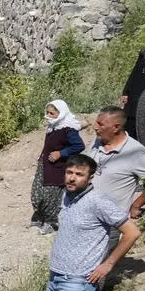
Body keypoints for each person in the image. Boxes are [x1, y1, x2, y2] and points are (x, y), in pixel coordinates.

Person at [43, 155, 141, 291]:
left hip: (78, 279)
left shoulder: (98, 201)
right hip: (56, 274)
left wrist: (108, 264)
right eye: (69, 172)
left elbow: (132, 232)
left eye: (79, 174)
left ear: (90, 177)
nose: (72, 178)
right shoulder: (66, 196)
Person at [85, 107, 145, 224]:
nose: (95, 127)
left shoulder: (135, 151)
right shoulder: (97, 141)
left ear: (116, 127)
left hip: (110, 220)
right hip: (85, 212)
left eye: (100, 124)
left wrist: (136, 205)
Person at [31, 100, 84, 234]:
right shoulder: (52, 126)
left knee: (50, 195)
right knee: (36, 193)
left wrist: (61, 153)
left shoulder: (68, 129)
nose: (48, 116)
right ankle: (40, 216)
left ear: (61, 113)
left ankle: (51, 222)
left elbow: (78, 146)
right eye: (47, 112)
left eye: (52, 113)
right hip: (45, 165)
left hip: (58, 167)